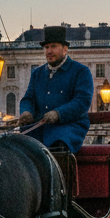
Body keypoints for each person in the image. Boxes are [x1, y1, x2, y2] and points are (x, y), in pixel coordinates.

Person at [15, 24, 93, 153]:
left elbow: (82, 101)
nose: (49, 51)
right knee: (16, 147)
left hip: (68, 126)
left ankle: (65, 173)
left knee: (58, 146)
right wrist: (26, 112)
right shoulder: (37, 73)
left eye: (53, 47)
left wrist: (58, 114)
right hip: (39, 127)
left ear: (65, 49)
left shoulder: (81, 71)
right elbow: (28, 98)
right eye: (46, 47)